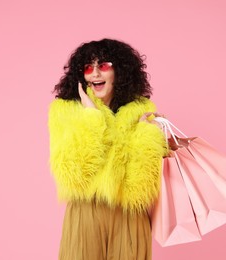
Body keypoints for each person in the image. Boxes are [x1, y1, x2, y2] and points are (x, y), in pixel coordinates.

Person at [48, 38, 168, 260]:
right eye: (88, 68)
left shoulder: (142, 110)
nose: (94, 74)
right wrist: (92, 116)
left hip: (130, 215)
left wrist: (146, 135)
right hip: (86, 212)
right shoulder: (65, 110)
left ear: (120, 72)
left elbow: (141, 186)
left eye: (103, 66)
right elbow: (73, 175)